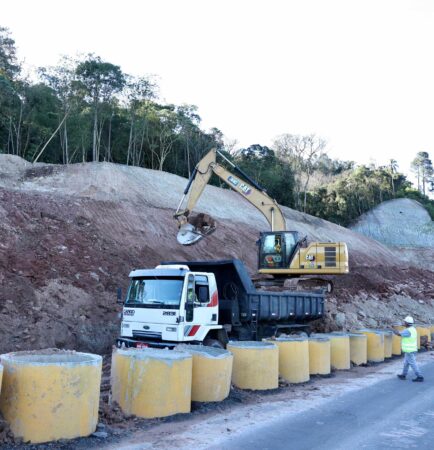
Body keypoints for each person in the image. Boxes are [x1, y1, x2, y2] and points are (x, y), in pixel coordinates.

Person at [393, 316, 424, 382]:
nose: (404, 323)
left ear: (407, 323)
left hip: (409, 350)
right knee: (406, 363)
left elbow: (399, 334)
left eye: (405, 322)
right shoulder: (413, 329)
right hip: (411, 349)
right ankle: (403, 375)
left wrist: (393, 330)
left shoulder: (408, 331)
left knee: (413, 363)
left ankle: (419, 376)